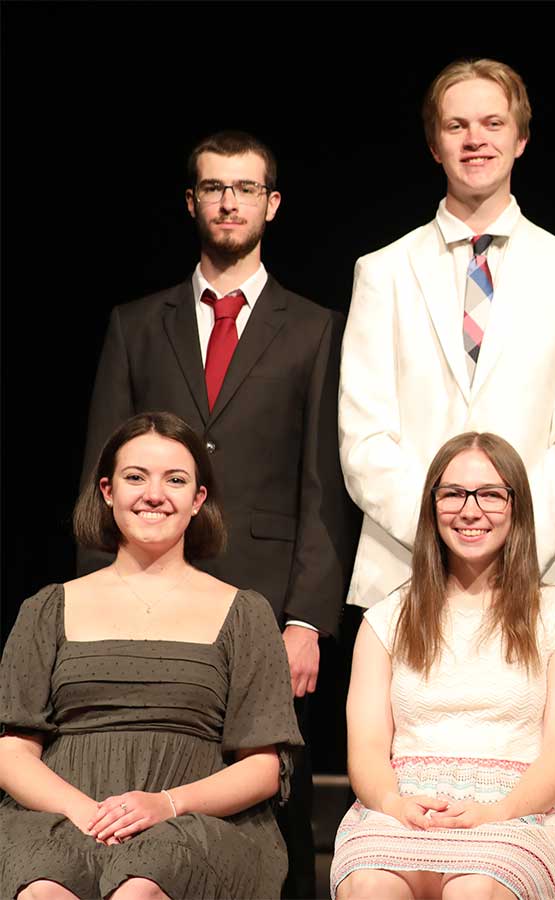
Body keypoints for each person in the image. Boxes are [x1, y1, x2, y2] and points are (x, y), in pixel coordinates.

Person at [80, 130, 351, 895]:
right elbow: (102, 471)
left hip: (265, 600)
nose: (227, 202)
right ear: (191, 201)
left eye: (244, 188)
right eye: (212, 187)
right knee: (153, 773)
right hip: (147, 592)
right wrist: (93, 603)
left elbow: (323, 483)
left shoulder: (316, 327)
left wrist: (306, 619)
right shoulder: (137, 324)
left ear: (272, 203)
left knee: (272, 793)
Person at [339, 58, 555, 618]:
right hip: (404, 573)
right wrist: (442, 534)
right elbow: (364, 439)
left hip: (533, 574)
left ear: (521, 138)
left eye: (492, 123)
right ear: (434, 145)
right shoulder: (383, 271)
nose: (475, 140)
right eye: (456, 126)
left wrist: (513, 543)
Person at [0, 412, 303, 899]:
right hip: (62, 814)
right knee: (43, 887)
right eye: (135, 477)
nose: (154, 494)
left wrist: (165, 804)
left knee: (142, 885)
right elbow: (12, 751)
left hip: (194, 821)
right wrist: (86, 813)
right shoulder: (47, 608)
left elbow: (263, 767)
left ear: (198, 500)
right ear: (107, 491)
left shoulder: (243, 612)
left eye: (175, 480)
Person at [331, 432, 555, 900]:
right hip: (404, 809)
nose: (470, 509)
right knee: (371, 885)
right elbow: (368, 750)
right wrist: (395, 804)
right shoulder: (386, 619)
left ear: (517, 508)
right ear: (432, 507)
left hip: (518, 813)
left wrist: (497, 811)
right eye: (453, 493)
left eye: (490, 494)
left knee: (476, 889)